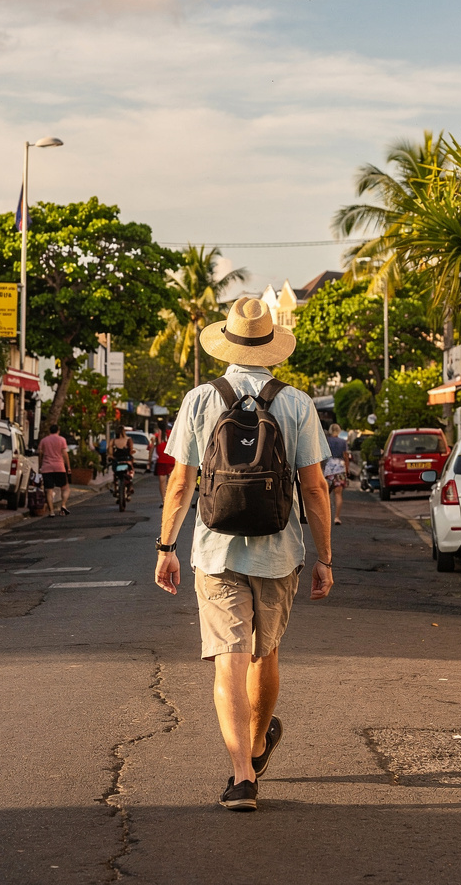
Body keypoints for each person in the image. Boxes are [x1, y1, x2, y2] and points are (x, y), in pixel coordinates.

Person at [154, 297, 332, 813]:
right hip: (279, 551)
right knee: (264, 653)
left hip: (216, 551)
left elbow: (181, 483)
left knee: (227, 662)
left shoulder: (199, 400)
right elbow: (315, 488)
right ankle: (255, 747)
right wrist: (324, 558)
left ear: (227, 344)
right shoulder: (296, 403)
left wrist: (166, 547)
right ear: (271, 348)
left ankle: (242, 777)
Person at [38, 424, 71, 516]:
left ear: (49, 431)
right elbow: (65, 454)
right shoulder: (62, 440)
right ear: (58, 431)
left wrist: (40, 465)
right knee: (65, 488)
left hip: (47, 467)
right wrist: (68, 467)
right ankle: (63, 505)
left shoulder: (44, 440)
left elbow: (40, 454)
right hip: (59, 467)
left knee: (49, 490)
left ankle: (51, 511)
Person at [324, 424, 349, 526]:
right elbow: (346, 456)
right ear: (339, 431)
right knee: (338, 494)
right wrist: (347, 470)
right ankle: (337, 517)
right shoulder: (343, 442)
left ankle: (326, 517)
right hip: (340, 468)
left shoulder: (327, 441)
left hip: (329, 468)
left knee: (326, 494)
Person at [108, 423, 136, 500]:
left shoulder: (113, 441)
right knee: (131, 472)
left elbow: (110, 451)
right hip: (127, 460)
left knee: (115, 475)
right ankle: (130, 487)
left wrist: (111, 456)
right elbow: (131, 450)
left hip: (117, 460)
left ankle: (115, 488)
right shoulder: (128, 440)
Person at [154, 424, 176, 500]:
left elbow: (156, 445)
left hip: (161, 460)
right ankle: (171, 499)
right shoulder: (173, 433)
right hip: (171, 460)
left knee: (162, 482)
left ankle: (164, 500)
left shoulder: (158, 434)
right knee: (171, 482)